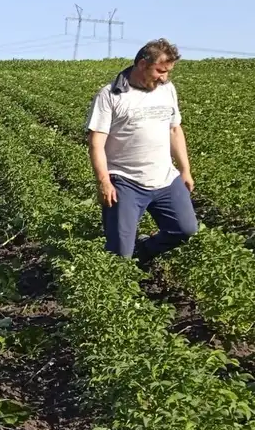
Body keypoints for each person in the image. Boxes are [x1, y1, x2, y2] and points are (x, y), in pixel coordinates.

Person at [85, 38, 199, 262]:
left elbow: (175, 130)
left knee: (185, 229)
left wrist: (185, 169)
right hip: (126, 180)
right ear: (142, 64)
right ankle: (121, 272)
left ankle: (144, 252)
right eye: (160, 70)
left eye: (168, 72)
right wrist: (104, 181)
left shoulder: (167, 89)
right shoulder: (110, 95)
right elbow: (96, 143)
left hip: (165, 177)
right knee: (119, 253)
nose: (164, 77)